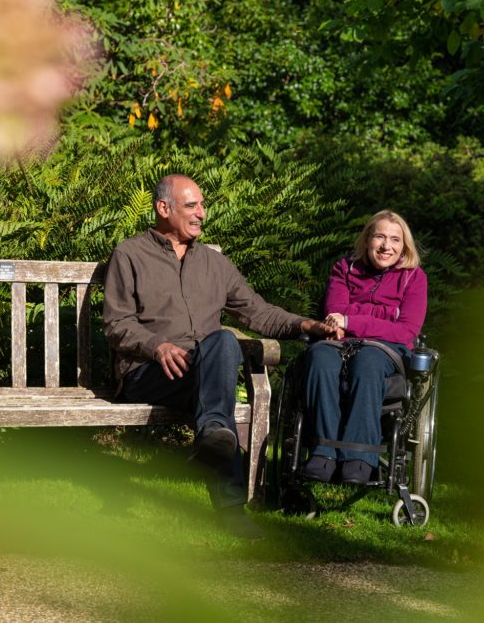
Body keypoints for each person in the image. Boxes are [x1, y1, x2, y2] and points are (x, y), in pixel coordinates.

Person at [102, 173, 337, 538]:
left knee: (224, 342)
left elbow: (257, 312)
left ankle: (212, 435)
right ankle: (230, 506)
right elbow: (116, 323)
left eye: (202, 205)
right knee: (219, 395)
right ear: (163, 208)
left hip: (202, 372)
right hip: (149, 372)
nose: (202, 214)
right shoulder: (130, 254)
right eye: (191, 205)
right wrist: (156, 345)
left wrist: (307, 325)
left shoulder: (214, 263)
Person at [302, 210, 428, 484]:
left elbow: (406, 330)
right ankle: (324, 452)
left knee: (367, 362)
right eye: (380, 236)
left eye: (395, 239)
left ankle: (360, 458)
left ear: (404, 245)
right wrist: (384, 315)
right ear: (367, 239)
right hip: (339, 343)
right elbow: (334, 317)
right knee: (319, 357)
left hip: (386, 350)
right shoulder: (344, 268)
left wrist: (352, 318)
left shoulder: (414, 277)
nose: (386, 246)